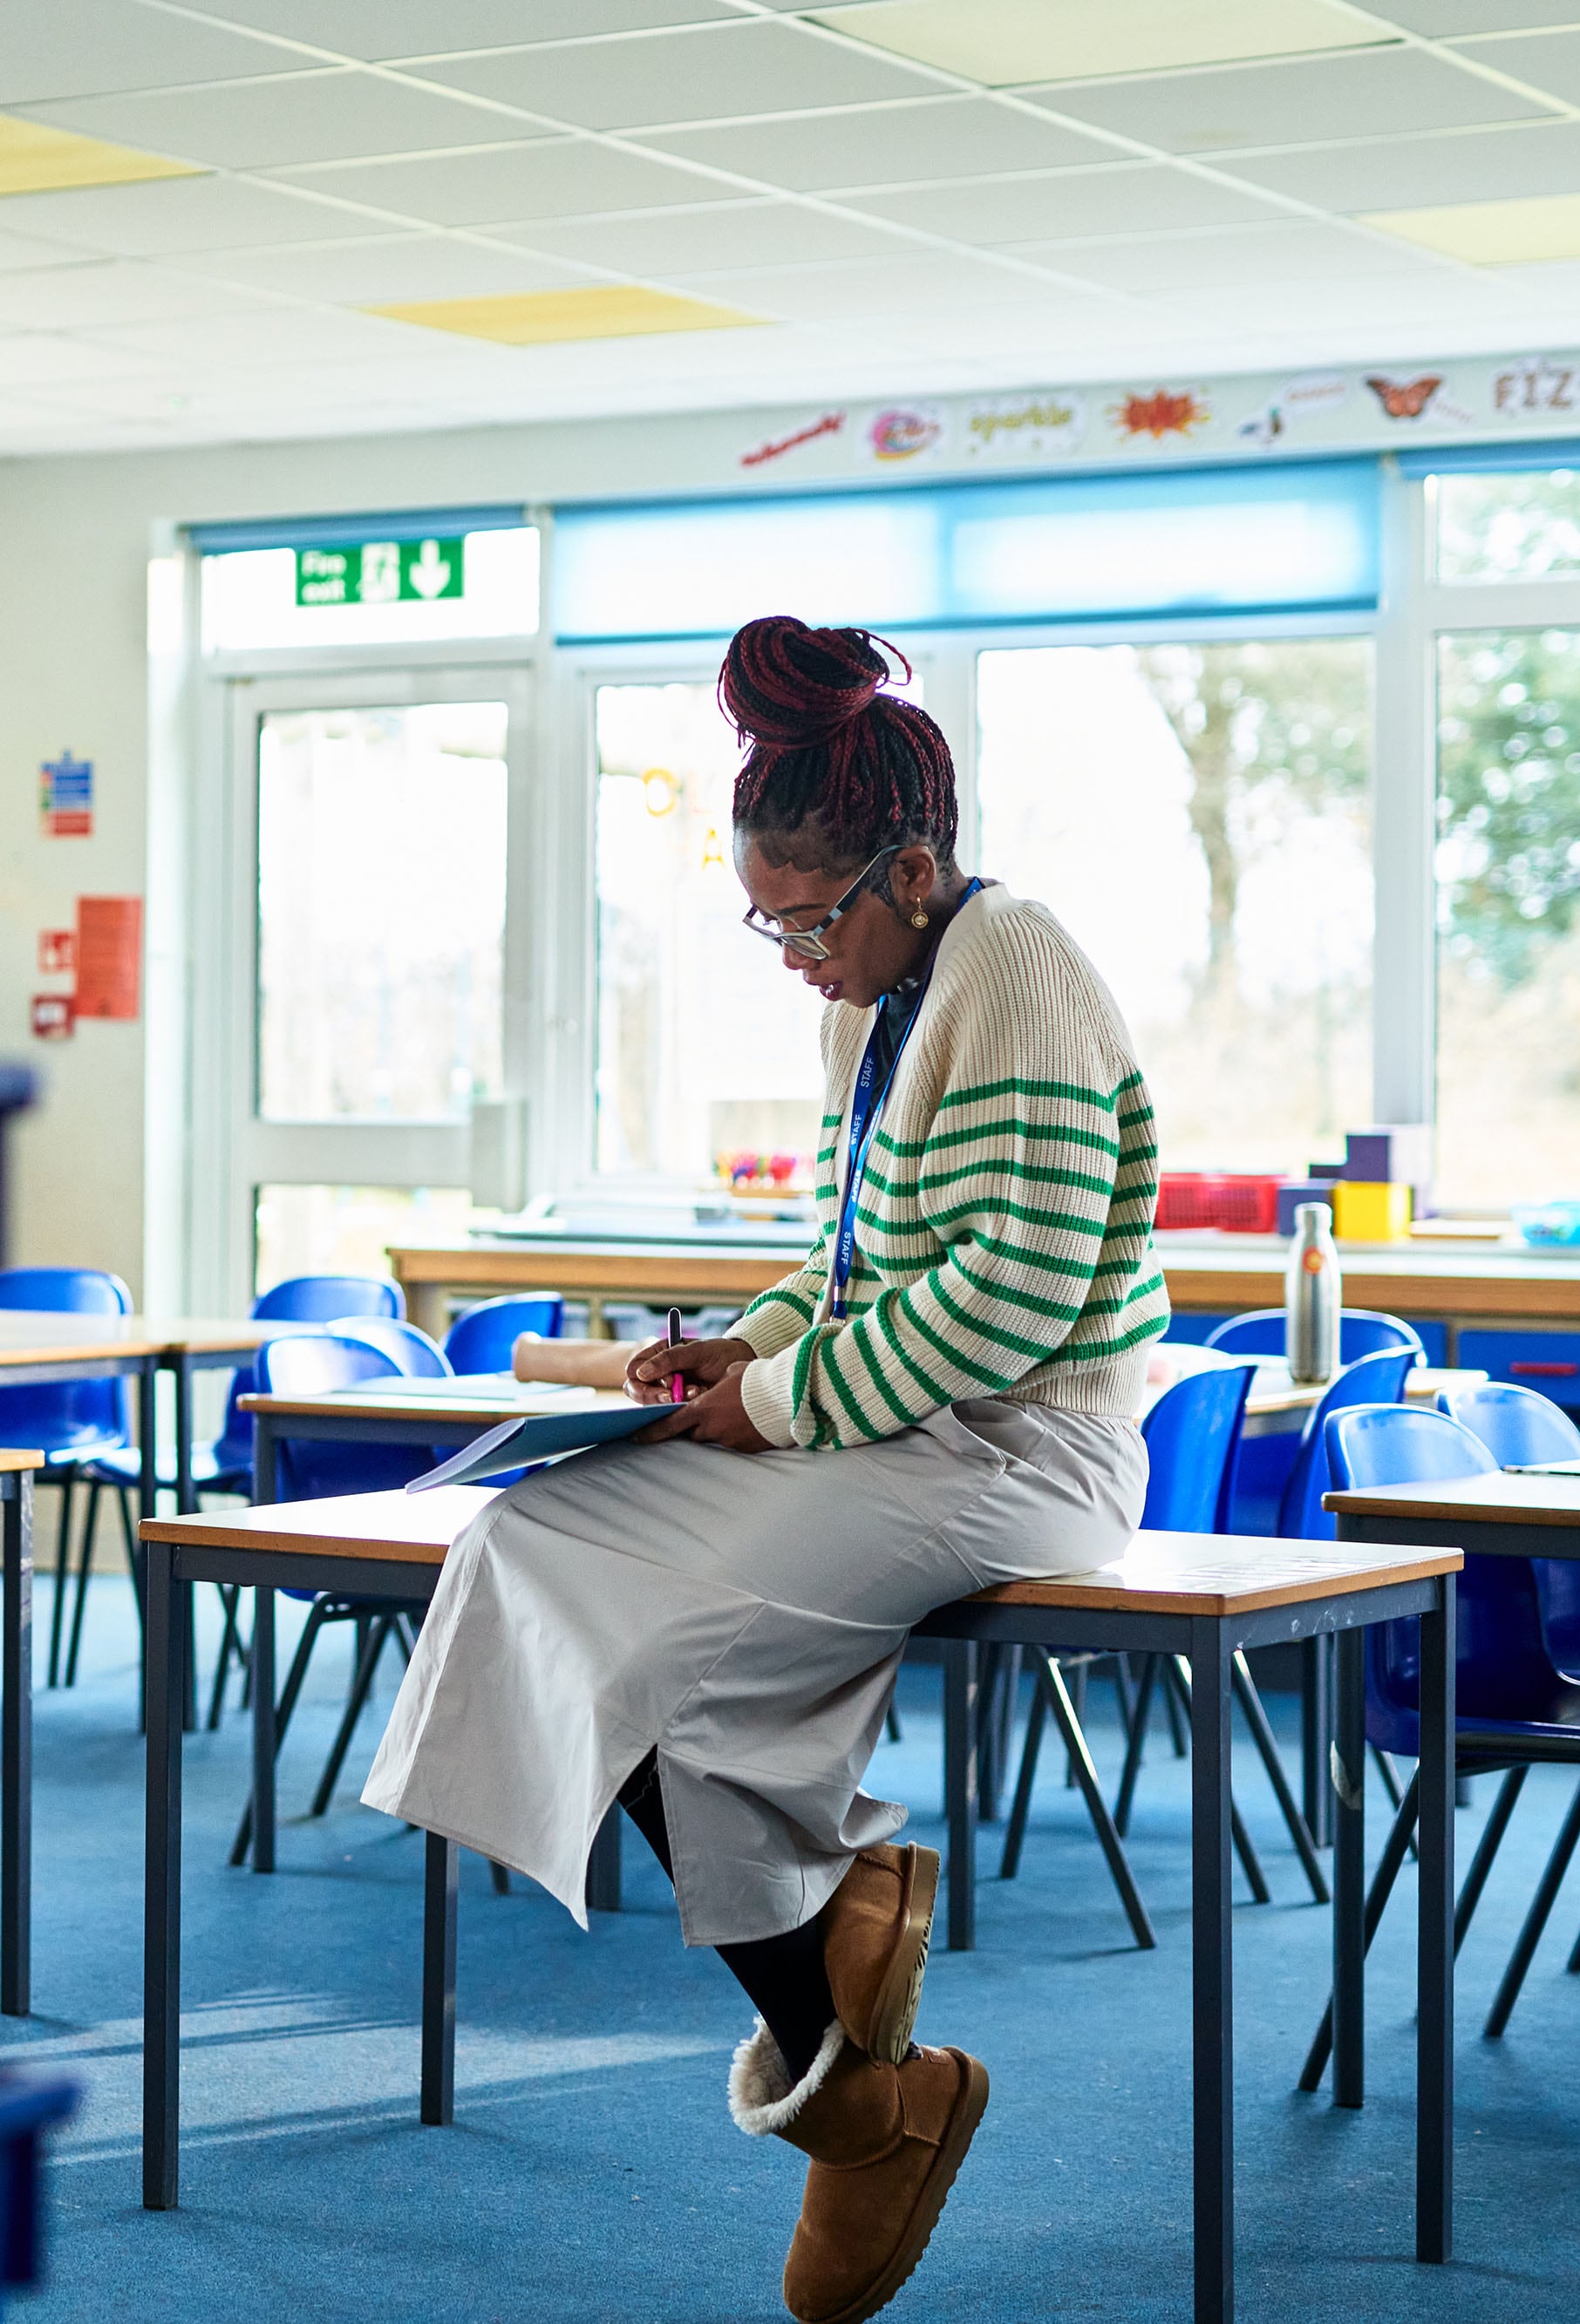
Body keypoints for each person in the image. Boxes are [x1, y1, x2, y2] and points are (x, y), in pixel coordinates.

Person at [361, 615, 1165, 2324]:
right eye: (766, 920)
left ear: (915, 866)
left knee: (674, 1645)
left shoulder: (1009, 963)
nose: (791, 951)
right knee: (534, 1541)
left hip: (1031, 1441)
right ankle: (851, 2053)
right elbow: (852, 1263)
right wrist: (746, 1346)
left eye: (807, 916)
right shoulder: (876, 996)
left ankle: (853, 2083)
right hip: (899, 1414)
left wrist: (780, 1403)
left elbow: (1011, 1294)